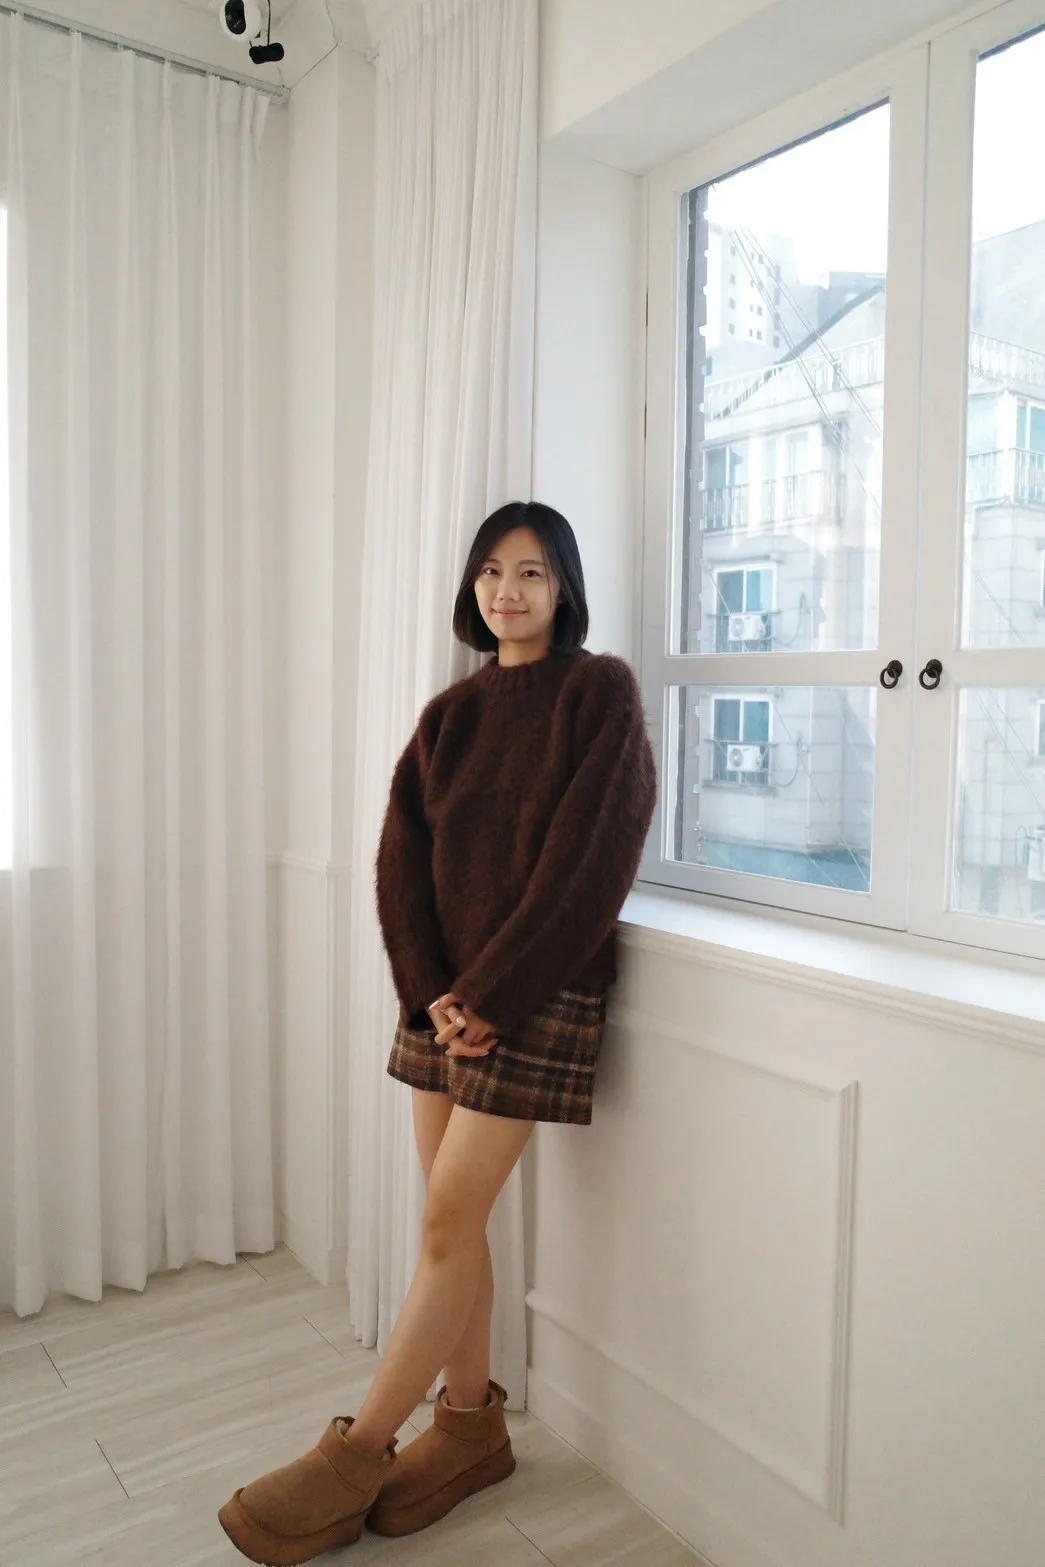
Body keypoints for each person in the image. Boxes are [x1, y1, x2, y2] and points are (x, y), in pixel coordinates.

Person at [218, 501, 657, 1566]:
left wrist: (492, 994)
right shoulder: (449, 715)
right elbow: (399, 862)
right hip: (444, 1003)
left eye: (533, 572)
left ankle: (358, 1449)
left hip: (535, 993)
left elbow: (593, 857)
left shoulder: (597, 693)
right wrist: (431, 992)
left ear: (565, 588)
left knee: (448, 1222)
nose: (508, 590)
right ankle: (469, 1428)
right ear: (471, 587)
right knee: (449, 1226)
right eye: (492, 571)